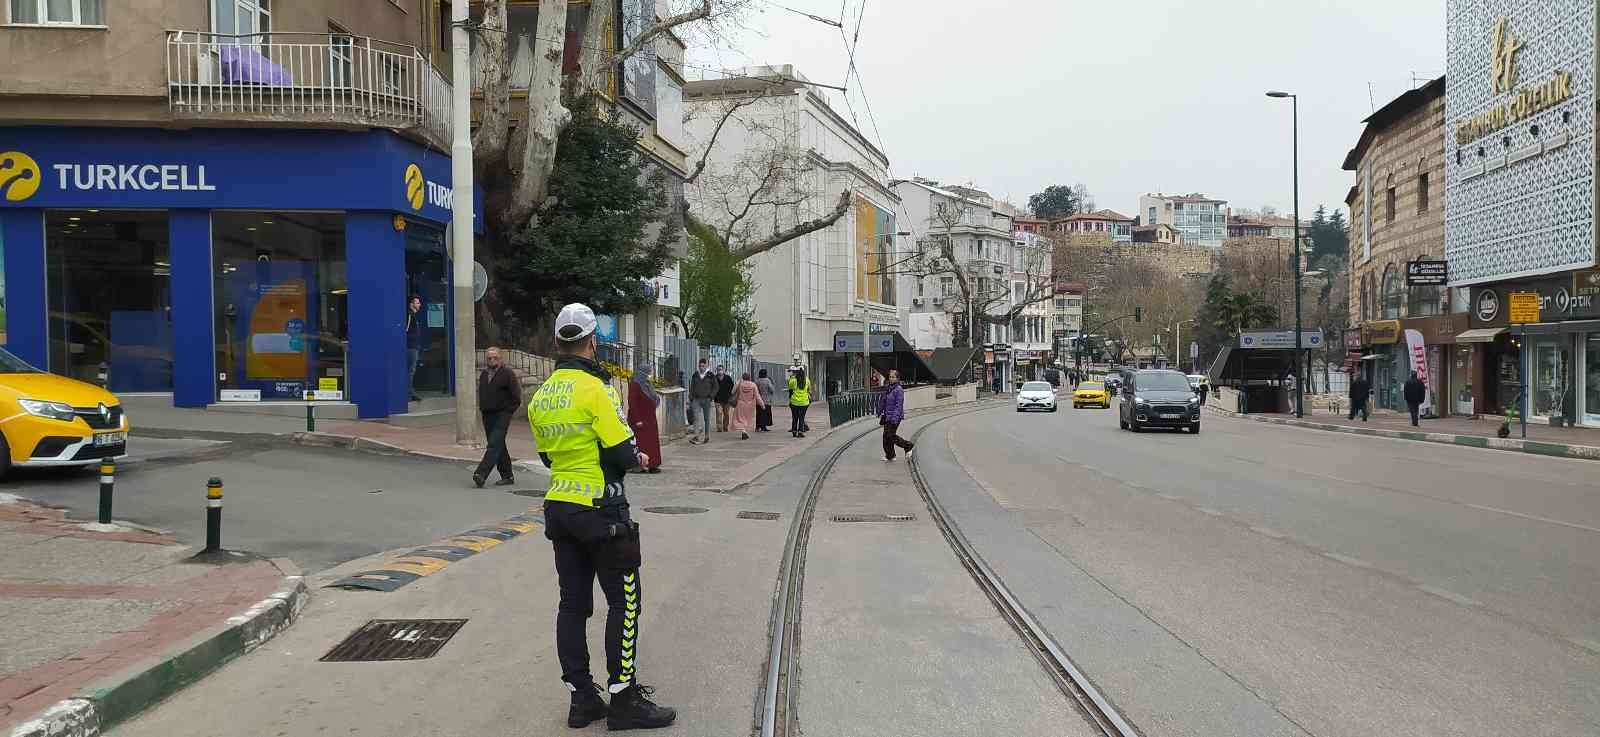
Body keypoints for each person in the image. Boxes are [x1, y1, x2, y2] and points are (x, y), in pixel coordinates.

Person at [527, 303, 675, 731]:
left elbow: (547, 455)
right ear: (592, 341)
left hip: (560, 507)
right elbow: (623, 453)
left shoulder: (542, 397)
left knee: (572, 605)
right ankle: (623, 698)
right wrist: (639, 456)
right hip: (603, 509)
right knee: (624, 603)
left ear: (557, 343)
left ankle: (581, 699)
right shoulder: (597, 390)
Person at [472, 346, 520, 488]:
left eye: (495, 357)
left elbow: (516, 397)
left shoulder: (507, 374)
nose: (492, 360)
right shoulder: (484, 374)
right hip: (488, 414)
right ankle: (507, 475)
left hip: (502, 414)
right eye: (489, 358)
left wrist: (508, 412)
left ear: (500, 358)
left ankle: (481, 474)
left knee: (493, 444)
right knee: (498, 445)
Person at [628, 370, 662, 473]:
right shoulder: (635, 385)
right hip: (640, 420)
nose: (649, 374)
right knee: (641, 443)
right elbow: (632, 402)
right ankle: (639, 466)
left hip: (649, 419)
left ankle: (652, 464)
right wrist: (637, 419)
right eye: (648, 372)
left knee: (651, 443)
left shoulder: (647, 384)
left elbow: (653, 396)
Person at [877, 369, 915, 461]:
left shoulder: (899, 390)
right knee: (886, 437)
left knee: (890, 436)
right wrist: (879, 411)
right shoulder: (888, 388)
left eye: (893, 377)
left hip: (894, 417)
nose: (891, 378)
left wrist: (894, 418)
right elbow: (883, 401)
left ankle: (908, 445)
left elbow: (899, 405)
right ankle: (890, 455)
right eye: (890, 377)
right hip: (887, 416)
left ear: (897, 378)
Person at [688, 360, 716, 445]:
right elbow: (692, 386)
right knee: (696, 417)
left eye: (703, 366)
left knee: (706, 418)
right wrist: (691, 397)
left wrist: (711, 396)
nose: (701, 368)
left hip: (706, 399)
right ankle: (696, 436)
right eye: (700, 366)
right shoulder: (695, 375)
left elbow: (715, 387)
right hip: (696, 399)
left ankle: (706, 435)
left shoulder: (710, 375)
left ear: (706, 366)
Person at [732, 372, 764, 440]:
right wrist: (762, 404)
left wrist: (738, 382)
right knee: (747, 419)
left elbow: (732, 391)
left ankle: (743, 431)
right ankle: (745, 431)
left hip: (740, 403)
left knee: (740, 419)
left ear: (742, 377)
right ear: (750, 378)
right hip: (750, 405)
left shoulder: (740, 384)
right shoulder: (753, 385)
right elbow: (757, 396)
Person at [404, 295, 424, 401]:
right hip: (411, 347)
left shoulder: (414, 316)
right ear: (411, 304)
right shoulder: (409, 315)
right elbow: (405, 331)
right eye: (417, 303)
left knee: (411, 370)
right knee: (410, 370)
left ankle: (410, 391)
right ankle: (409, 392)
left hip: (414, 347)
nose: (419, 305)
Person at [788, 367, 813, 437]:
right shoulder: (807, 380)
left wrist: (790, 399)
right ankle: (800, 431)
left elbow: (790, 390)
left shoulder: (793, 380)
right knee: (801, 417)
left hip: (794, 402)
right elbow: (809, 390)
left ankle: (794, 430)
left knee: (795, 417)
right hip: (804, 402)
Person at [715, 366, 735, 433]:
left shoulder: (728, 378)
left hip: (727, 400)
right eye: (718, 370)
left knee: (726, 414)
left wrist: (731, 396)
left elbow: (732, 387)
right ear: (716, 371)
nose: (719, 371)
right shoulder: (714, 378)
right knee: (719, 413)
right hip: (717, 399)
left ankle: (725, 427)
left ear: (724, 370)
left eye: (721, 369)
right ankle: (719, 428)